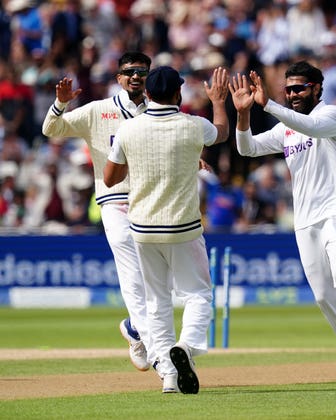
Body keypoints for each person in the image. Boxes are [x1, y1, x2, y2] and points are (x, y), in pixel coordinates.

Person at [228, 61, 336, 388]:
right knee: (322, 296)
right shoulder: (285, 128)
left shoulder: (331, 115)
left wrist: (269, 105)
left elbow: (311, 128)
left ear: (317, 88)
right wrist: (245, 114)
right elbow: (246, 148)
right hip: (305, 221)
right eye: (288, 89)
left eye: (299, 88)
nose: (292, 94)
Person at [103, 65, 230, 393]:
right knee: (199, 294)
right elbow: (222, 133)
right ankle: (186, 347)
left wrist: (138, 162)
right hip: (183, 227)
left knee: (156, 302)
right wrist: (217, 101)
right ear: (178, 94)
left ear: (146, 94)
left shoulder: (129, 129)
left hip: (143, 229)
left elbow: (109, 179)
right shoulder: (192, 126)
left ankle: (170, 378)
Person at [41, 52, 154, 371]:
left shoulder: (158, 111)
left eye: (142, 72)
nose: (135, 77)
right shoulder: (98, 111)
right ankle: (159, 350)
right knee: (131, 268)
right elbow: (52, 129)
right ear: (118, 77)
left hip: (151, 201)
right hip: (114, 199)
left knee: (157, 276)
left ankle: (135, 327)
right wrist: (60, 104)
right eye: (129, 72)